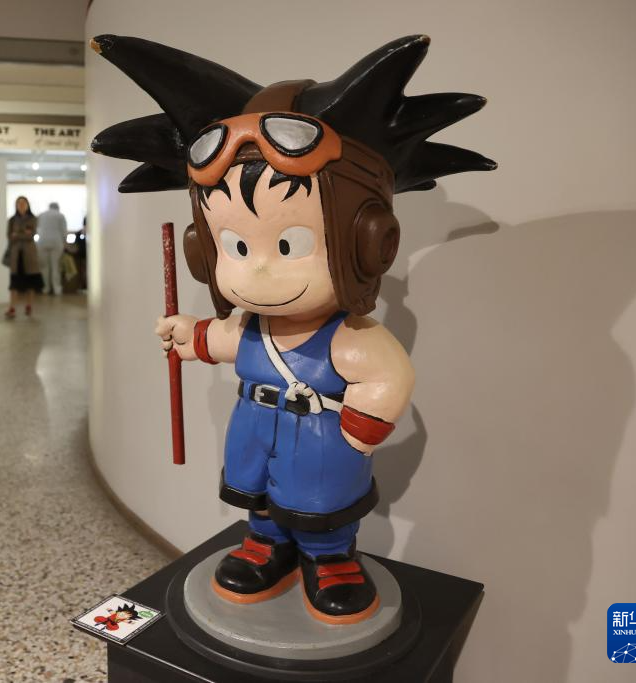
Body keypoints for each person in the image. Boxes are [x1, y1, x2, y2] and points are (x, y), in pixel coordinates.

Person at [91, 34, 494, 624]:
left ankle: (330, 559)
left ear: (369, 243)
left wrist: (357, 432)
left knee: (321, 507)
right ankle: (265, 544)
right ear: (204, 250)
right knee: (258, 497)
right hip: (255, 426)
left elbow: (390, 377)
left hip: (319, 437)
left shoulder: (350, 339)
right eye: (234, 246)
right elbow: (222, 340)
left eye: (288, 243)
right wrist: (188, 335)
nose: (257, 270)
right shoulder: (254, 326)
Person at [4, 196, 43, 318]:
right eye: (19, 203)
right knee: (14, 284)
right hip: (16, 255)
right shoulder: (12, 220)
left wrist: (18, 234)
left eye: (23, 203)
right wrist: (23, 234)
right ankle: (12, 308)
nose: (21, 205)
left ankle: (29, 306)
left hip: (29, 256)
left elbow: (31, 235)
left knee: (30, 283)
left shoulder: (33, 219)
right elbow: (9, 236)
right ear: (16, 205)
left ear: (27, 205)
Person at [36, 201, 67, 295]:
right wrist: (64, 242)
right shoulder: (60, 215)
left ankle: (46, 288)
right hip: (56, 242)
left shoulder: (42, 215)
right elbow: (64, 231)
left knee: (44, 267)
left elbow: (37, 228)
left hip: (42, 242)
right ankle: (57, 288)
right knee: (55, 266)